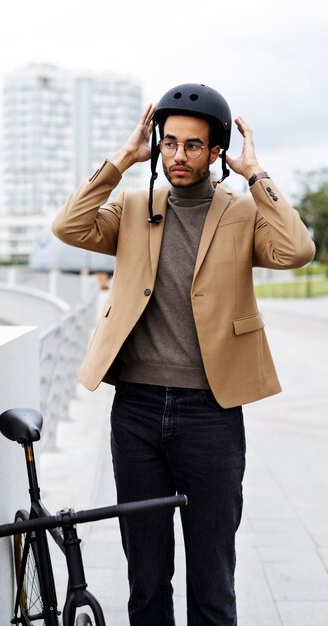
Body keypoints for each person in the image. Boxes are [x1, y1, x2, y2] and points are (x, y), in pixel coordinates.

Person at [52, 83, 315, 626]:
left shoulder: (240, 212)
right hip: (137, 411)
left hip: (211, 414)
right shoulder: (132, 205)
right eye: (169, 143)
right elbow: (69, 226)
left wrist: (256, 176)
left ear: (215, 150)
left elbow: (297, 249)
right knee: (146, 582)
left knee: (212, 582)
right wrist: (124, 157)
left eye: (193, 146)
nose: (178, 156)